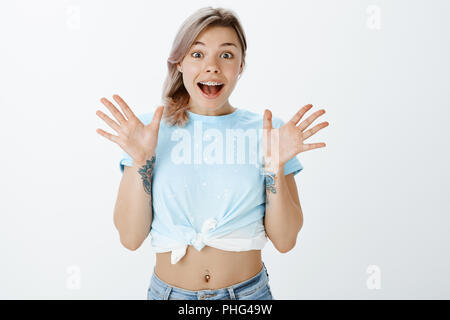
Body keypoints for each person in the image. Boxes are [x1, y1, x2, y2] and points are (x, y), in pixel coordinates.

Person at [95, 6, 328, 300]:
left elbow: (285, 241)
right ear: (179, 62)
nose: (212, 66)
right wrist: (142, 159)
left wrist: (275, 169)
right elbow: (130, 239)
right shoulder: (148, 132)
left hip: (247, 297)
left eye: (227, 55)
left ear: (241, 65)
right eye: (197, 54)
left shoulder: (269, 134)